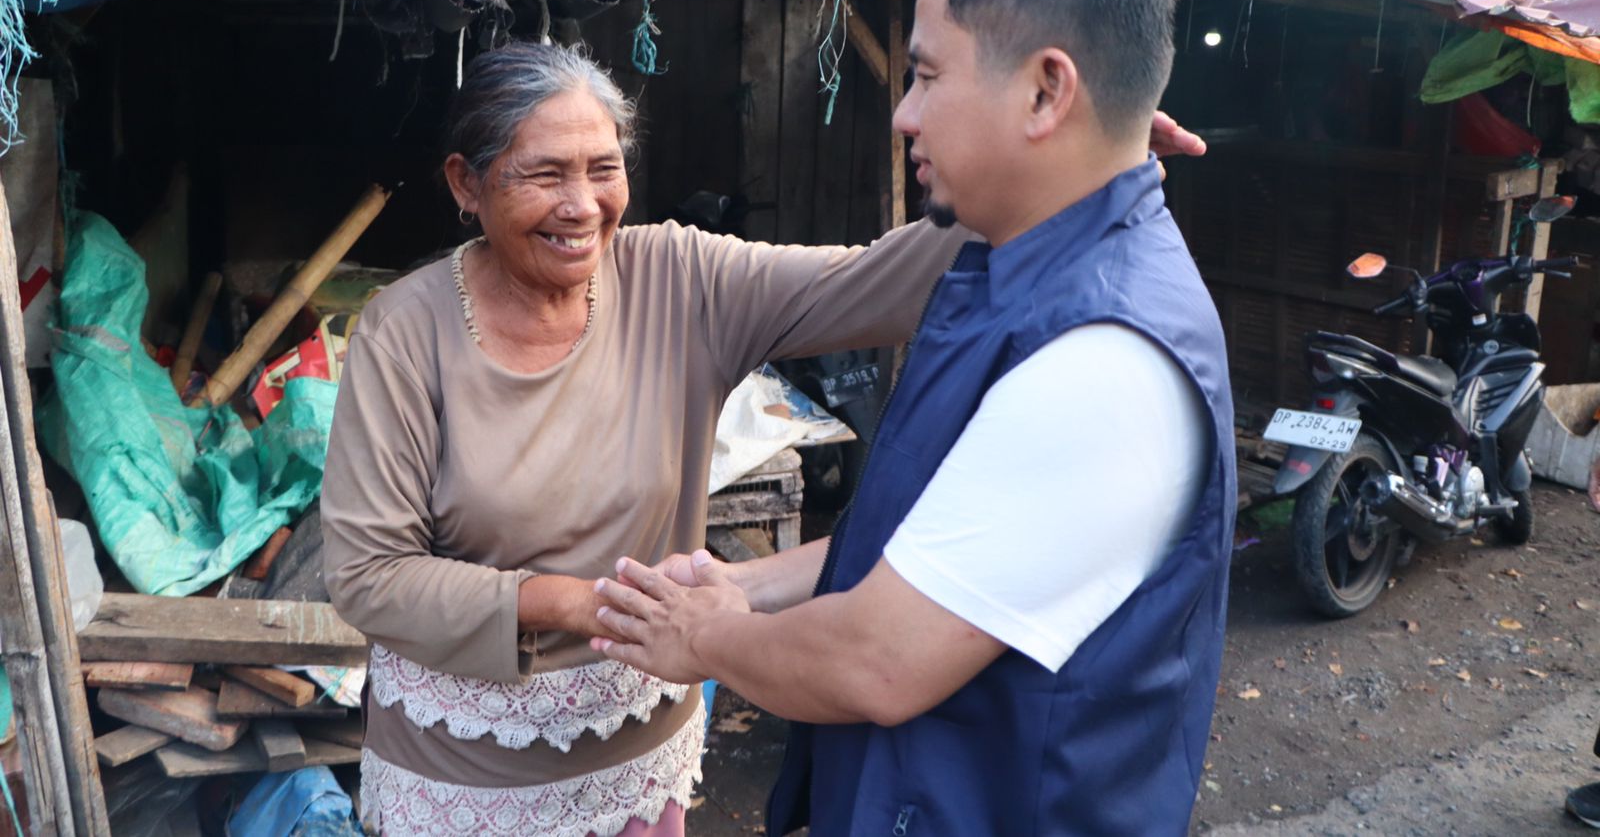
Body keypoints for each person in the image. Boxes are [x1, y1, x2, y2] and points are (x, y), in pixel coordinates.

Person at [321, 41, 1203, 835]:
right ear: (466, 185)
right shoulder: (407, 331)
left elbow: (875, 284)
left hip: (635, 744)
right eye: (544, 175)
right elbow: (369, 576)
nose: (582, 205)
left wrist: (1064, 172)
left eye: (603, 168)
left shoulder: (678, 275)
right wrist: (571, 604)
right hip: (467, 765)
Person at [590, 0, 1235, 834]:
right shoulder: (1009, 272)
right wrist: (747, 589)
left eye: (927, 76)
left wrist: (703, 637)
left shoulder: (1103, 355)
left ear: (1047, 91)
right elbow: (937, 547)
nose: (902, 115)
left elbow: (878, 659)